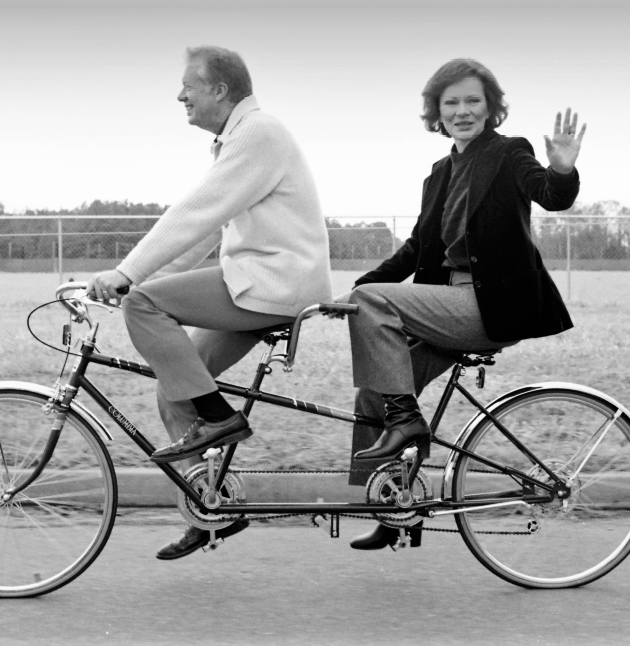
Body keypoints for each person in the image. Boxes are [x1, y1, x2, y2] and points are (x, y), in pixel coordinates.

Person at [86, 46, 332, 560]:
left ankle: (220, 418)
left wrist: (129, 278)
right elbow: (203, 236)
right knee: (176, 390)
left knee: (146, 309)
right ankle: (209, 507)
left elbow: (194, 213)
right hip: (258, 282)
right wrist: (138, 279)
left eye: (188, 86)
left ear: (220, 90)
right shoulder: (239, 139)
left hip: (272, 284)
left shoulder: (259, 133)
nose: (180, 95)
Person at [340, 58, 585, 550]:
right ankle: (393, 509)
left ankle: (408, 423)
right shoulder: (438, 173)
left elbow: (549, 194)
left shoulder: (509, 153)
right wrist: (354, 291)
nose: (463, 111)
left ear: (491, 108)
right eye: (451, 102)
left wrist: (561, 169)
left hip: (488, 304)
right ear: (437, 112)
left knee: (392, 387)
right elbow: (415, 250)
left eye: (473, 100)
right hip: (446, 304)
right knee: (374, 391)